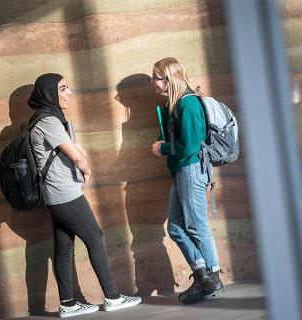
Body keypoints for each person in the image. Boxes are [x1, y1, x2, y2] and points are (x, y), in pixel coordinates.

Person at [28, 73, 141, 317]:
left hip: (57, 192)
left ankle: (67, 304)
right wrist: (86, 169)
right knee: (96, 238)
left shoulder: (48, 119)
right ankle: (112, 296)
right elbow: (76, 155)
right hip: (64, 193)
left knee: (65, 246)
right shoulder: (47, 121)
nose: (69, 93)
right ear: (49, 93)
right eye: (63, 89)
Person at [150, 58, 224, 304]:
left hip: (191, 169)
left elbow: (189, 146)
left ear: (170, 78)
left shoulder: (189, 104)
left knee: (196, 225)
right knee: (175, 227)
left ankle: (213, 276)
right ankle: (202, 274)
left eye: (156, 77)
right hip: (182, 171)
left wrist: (163, 148)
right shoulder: (176, 105)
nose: (153, 82)